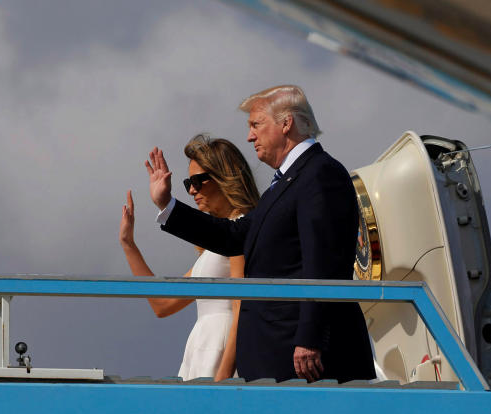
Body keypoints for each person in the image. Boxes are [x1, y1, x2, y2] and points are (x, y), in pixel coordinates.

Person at [147, 84, 375, 383]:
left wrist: (310, 337)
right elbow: (233, 236)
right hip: (277, 357)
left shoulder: (320, 173)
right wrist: (168, 205)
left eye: (256, 124)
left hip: (307, 360)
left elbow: (323, 263)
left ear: (286, 123)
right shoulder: (284, 183)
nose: (249, 136)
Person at [120, 134, 259, 381]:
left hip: (225, 348)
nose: (192, 190)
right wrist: (129, 245)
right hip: (203, 345)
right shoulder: (211, 252)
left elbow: (242, 307)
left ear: (224, 178)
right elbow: (162, 306)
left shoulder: (240, 234)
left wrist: (224, 374)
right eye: (188, 183)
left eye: (198, 181)